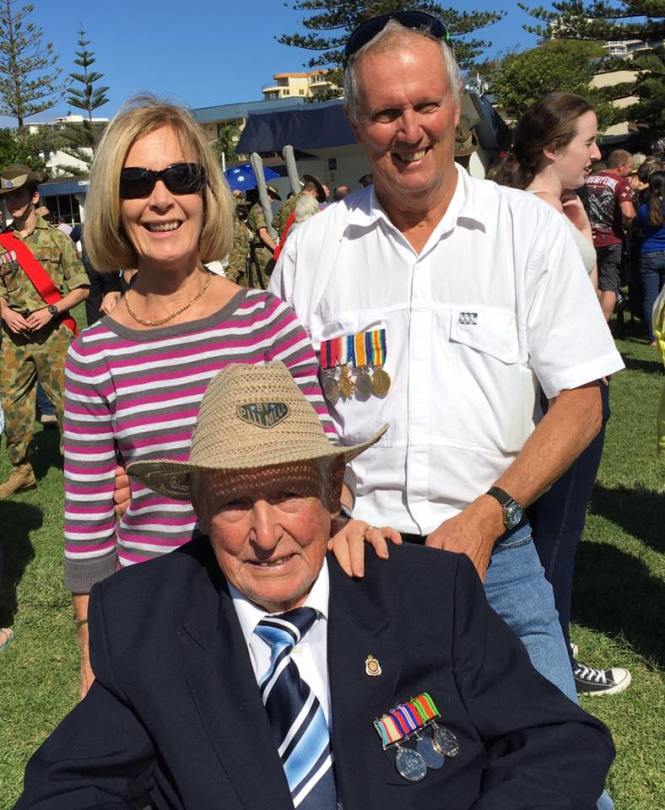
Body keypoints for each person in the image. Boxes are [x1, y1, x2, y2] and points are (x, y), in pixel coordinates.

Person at [17, 362, 615, 810]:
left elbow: (558, 741)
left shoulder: (428, 594)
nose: (265, 535)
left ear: (332, 491)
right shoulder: (146, 618)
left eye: (288, 495)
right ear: (198, 508)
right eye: (233, 502)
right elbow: (69, 788)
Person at [270, 10, 624, 736]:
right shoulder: (313, 249)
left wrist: (491, 514)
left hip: (498, 550)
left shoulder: (526, 232)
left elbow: (582, 398)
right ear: (355, 122)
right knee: (375, 767)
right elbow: (278, 410)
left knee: (559, 767)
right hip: (357, 554)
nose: (410, 131)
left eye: (426, 105)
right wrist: (331, 514)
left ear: (456, 108)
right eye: (386, 113)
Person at [63, 96, 355, 699]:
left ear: (207, 192)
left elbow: (327, 467)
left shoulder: (267, 323)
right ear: (113, 204)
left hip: (273, 597)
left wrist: (344, 520)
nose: (161, 198)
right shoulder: (94, 354)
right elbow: (88, 520)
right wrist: (92, 647)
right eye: (137, 182)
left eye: (181, 176)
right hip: (155, 607)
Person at [494, 92, 631, 696]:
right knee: (555, 534)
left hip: (563, 389)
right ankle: (553, 655)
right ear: (552, 149)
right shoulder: (535, 219)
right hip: (565, 397)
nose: (596, 154)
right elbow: (587, 324)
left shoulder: (545, 213)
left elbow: (591, 311)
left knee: (545, 531)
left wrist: (582, 235)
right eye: (588, 142)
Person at [0, 165, 89, 499]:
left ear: (34, 197)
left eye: (18, 196)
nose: (12, 203)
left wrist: (51, 310)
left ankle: (78, 465)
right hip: (15, 338)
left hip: (53, 335)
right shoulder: (1, 243)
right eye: (8, 198)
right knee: (13, 405)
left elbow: (81, 287)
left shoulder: (57, 238)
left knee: (68, 403)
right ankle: (22, 470)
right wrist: (5, 312)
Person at [586, 148, 636, 320]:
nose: (630, 171)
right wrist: (630, 226)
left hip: (588, 237)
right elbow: (628, 213)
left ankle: (592, 319)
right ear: (621, 166)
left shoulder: (590, 179)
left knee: (593, 282)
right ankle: (603, 326)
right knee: (609, 286)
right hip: (610, 239)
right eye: (629, 167)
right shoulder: (620, 182)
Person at [636, 170, 665, 345]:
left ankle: (652, 336)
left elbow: (638, 226)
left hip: (649, 254)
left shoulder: (644, 209)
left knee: (650, 296)